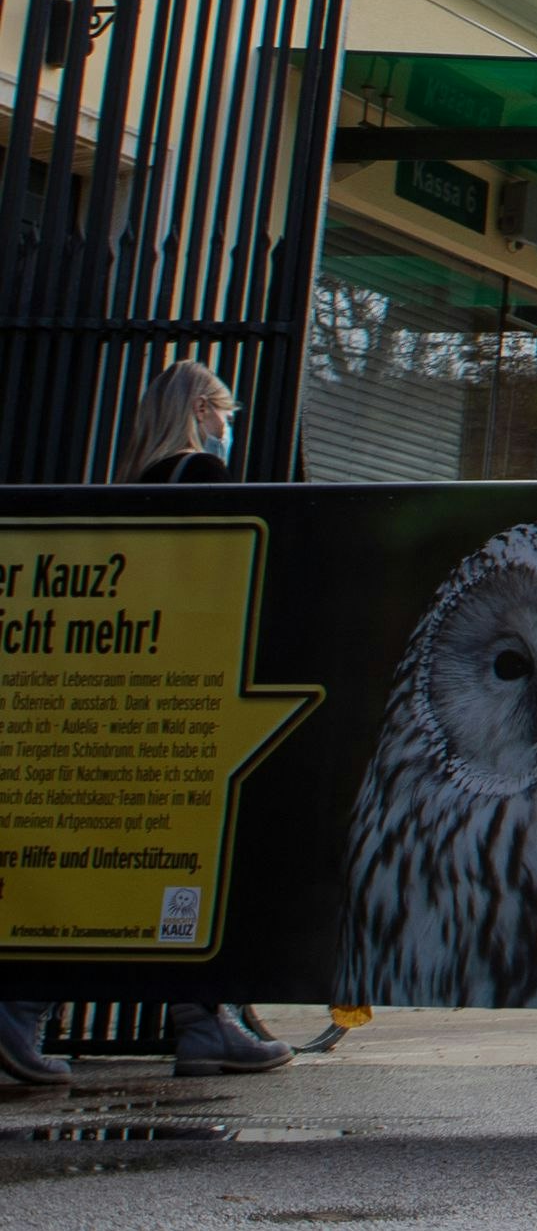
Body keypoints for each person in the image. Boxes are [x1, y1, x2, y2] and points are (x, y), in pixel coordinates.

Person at [2, 366, 291, 1088]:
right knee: (185, 865)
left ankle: (196, 1022)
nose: (230, 424)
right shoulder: (208, 477)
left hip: (129, 695)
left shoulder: (132, 482)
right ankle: (43, 1009)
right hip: (190, 704)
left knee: (126, 871)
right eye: (227, 411)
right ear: (202, 408)